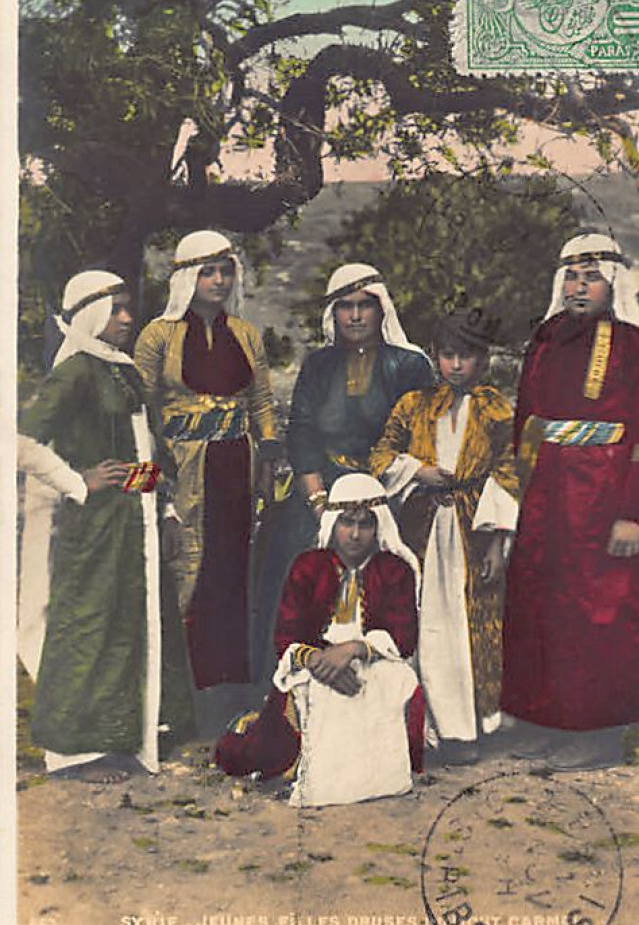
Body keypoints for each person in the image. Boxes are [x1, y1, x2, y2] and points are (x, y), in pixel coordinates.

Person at [501, 232, 639, 771]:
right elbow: (525, 418)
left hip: (604, 492)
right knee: (544, 605)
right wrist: (517, 493)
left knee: (597, 612)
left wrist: (631, 512)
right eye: (571, 277)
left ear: (614, 284)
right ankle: (552, 724)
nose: (579, 287)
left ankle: (598, 736)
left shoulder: (638, 348)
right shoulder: (548, 338)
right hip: (547, 489)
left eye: (591, 277)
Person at [18, 270, 194, 783]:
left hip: (135, 524)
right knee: (89, 627)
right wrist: (77, 481)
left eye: (127, 308)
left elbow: (147, 451)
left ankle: (118, 743)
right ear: (91, 314)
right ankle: (75, 755)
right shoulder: (74, 372)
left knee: (127, 627)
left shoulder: (123, 371)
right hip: (95, 529)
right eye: (115, 309)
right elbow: (22, 442)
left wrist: (165, 511)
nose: (126, 318)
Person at [251, 262, 433, 688]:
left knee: (391, 569)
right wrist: (318, 502)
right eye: (344, 307)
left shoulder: (409, 366)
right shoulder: (319, 365)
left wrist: (379, 500)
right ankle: (285, 689)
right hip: (322, 487)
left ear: (381, 310)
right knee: (294, 557)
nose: (354, 316)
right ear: (332, 314)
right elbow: (302, 432)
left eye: (363, 306)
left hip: (390, 489)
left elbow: (420, 438)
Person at [134, 230, 278, 735]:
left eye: (225, 270)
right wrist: (156, 489)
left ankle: (230, 703)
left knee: (232, 575)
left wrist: (267, 464)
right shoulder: (158, 336)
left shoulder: (245, 332)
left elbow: (261, 401)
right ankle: (178, 707)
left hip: (236, 469)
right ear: (185, 278)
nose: (218, 281)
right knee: (186, 578)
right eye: (206, 271)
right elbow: (142, 413)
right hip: (183, 472)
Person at [216, 474, 425, 807]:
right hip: (315, 664)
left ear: (379, 526)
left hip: (373, 663)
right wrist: (319, 661)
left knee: (393, 680)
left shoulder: (395, 569)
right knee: (300, 711)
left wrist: (355, 649)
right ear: (332, 523)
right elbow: (286, 636)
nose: (355, 534)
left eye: (365, 524)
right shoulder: (308, 566)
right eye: (346, 523)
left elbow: (404, 638)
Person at [370, 311, 520, 764]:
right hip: (423, 528)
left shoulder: (496, 408)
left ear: (483, 360)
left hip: (473, 530)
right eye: (448, 355)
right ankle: (431, 726)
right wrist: (418, 470)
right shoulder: (415, 404)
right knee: (428, 624)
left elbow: (509, 467)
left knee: (468, 627)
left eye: (467, 357)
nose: (457, 365)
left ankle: (473, 727)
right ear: (436, 358)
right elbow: (381, 452)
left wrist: (496, 540)